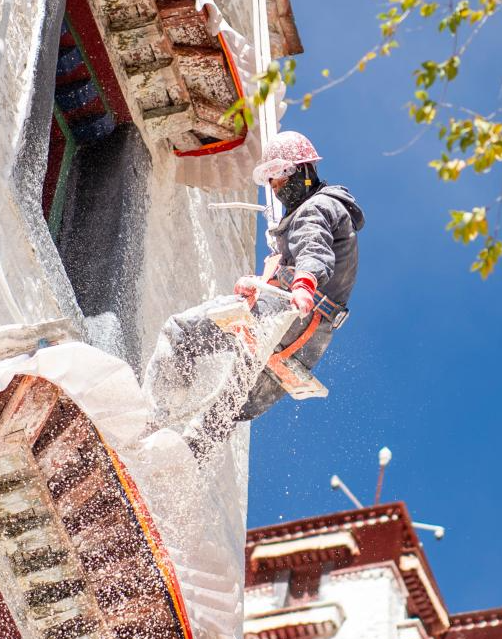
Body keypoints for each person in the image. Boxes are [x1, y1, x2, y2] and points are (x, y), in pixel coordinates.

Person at [145, 131, 365, 460]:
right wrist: (264, 282)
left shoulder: (316, 208)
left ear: (303, 170)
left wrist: (303, 284)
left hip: (286, 312)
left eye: (280, 176)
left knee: (180, 333)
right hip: (310, 341)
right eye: (271, 180)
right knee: (228, 407)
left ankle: (152, 421)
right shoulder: (332, 213)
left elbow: (313, 249)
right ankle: (181, 464)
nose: (275, 187)